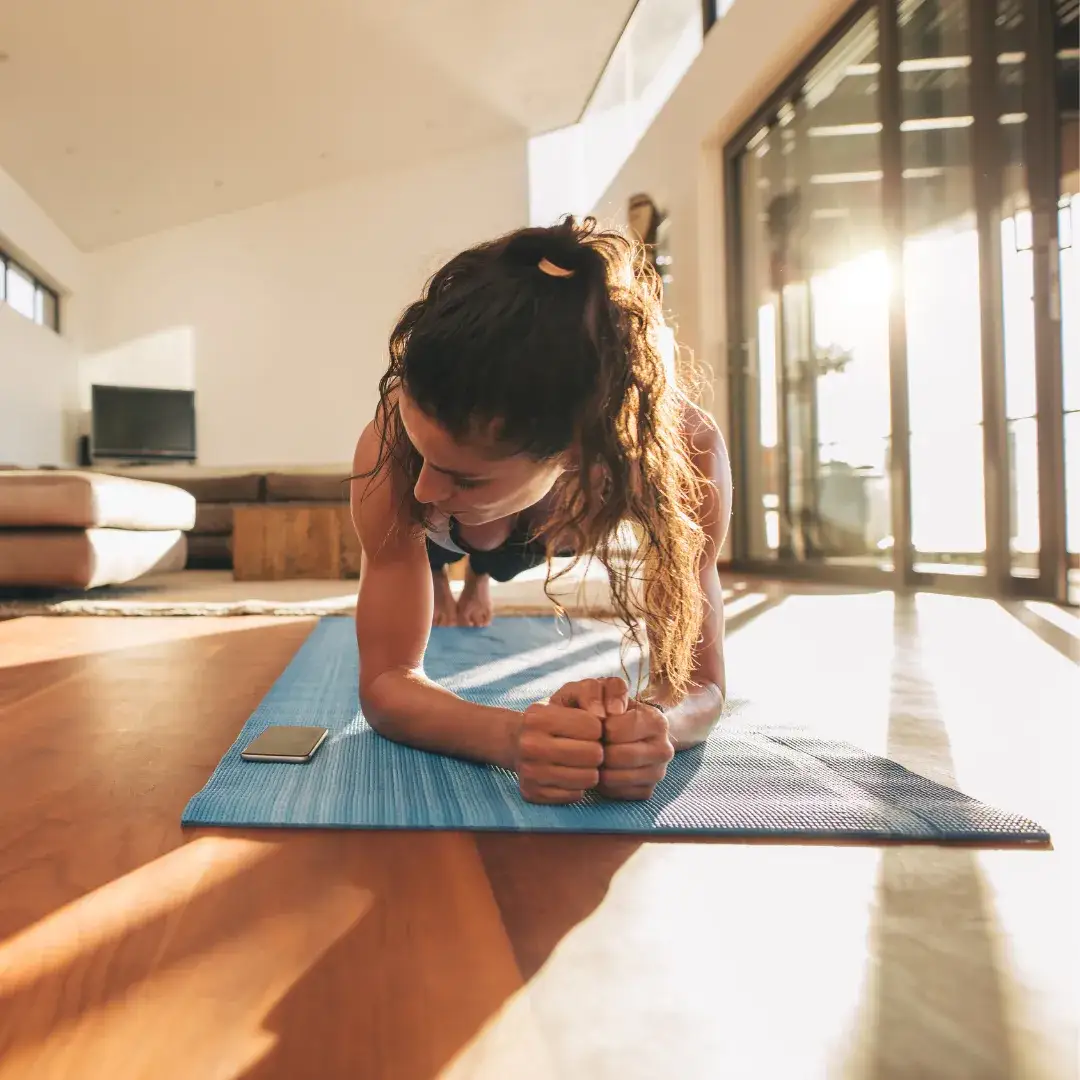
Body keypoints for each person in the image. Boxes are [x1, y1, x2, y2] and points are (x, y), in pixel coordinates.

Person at [349, 217, 732, 804]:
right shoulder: (391, 450)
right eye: (426, 455)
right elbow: (384, 680)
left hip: (554, 516)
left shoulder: (687, 453)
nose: (424, 489)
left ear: (576, 453)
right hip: (457, 539)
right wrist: (512, 736)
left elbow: (701, 683)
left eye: (463, 476)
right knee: (435, 515)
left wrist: (653, 724)